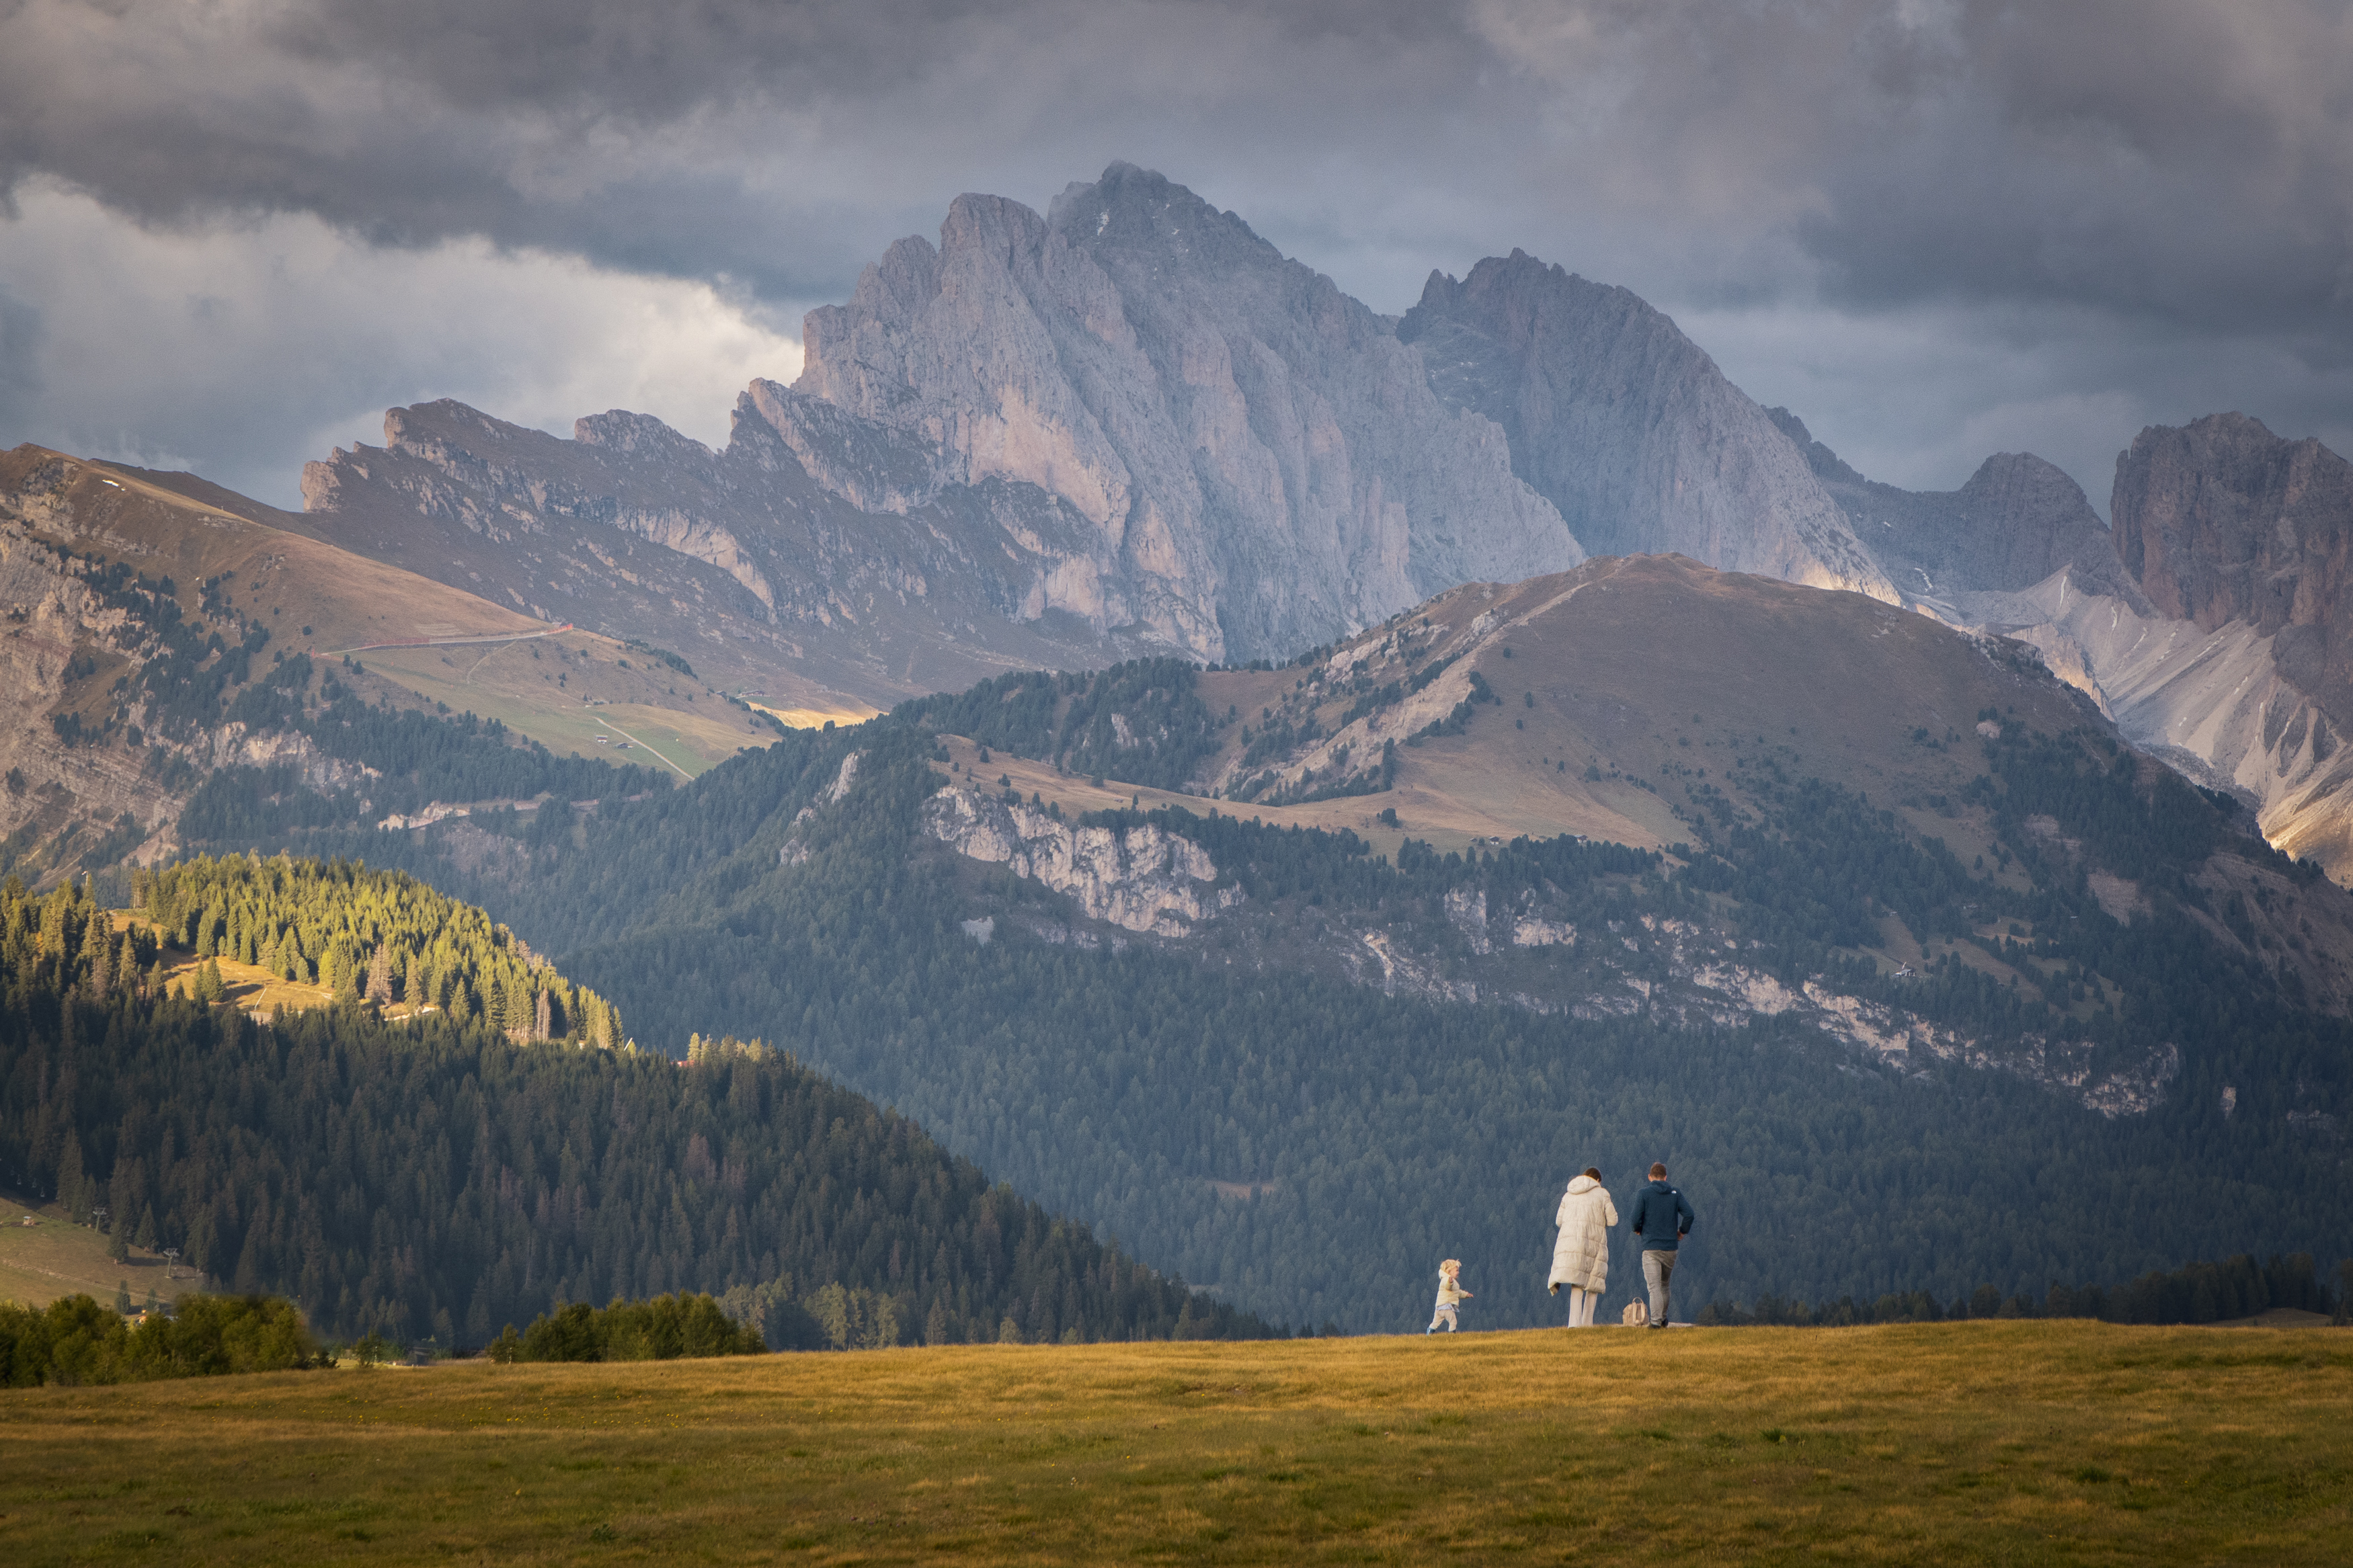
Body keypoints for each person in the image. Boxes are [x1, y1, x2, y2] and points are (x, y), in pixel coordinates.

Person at [1628, 1162, 1695, 1329]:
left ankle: (1656, 1323)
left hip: (1651, 1248)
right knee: (1665, 1285)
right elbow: (1689, 1215)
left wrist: (1638, 1230)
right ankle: (1663, 1319)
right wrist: (1681, 1232)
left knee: (1654, 1287)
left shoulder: (1644, 1194)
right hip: (1671, 1248)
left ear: (1650, 1177)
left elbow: (1635, 1219)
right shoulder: (1675, 1194)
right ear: (1666, 1177)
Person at [1548, 1166, 1617, 1327]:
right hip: (1593, 1242)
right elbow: (1613, 1220)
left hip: (1572, 1244)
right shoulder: (1603, 1194)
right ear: (1598, 1181)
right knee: (1593, 1283)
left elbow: (1559, 1221)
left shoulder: (1568, 1194)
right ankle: (1587, 1324)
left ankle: (1573, 1325)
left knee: (1576, 1284)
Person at [1426, 1257, 1473, 1333]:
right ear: (1449, 1271)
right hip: (1446, 1306)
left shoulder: (1449, 1280)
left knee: (1435, 1323)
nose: (1458, 1272)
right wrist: (1450, 1282)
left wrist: (1466, 1295)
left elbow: (1458, 1293)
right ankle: (1452, 1336)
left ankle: (1429, 1334)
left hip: (1439, 1307)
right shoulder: (1447, 1280)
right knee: (1453, 1321)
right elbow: (1448, 1286)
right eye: (1457, 1270)